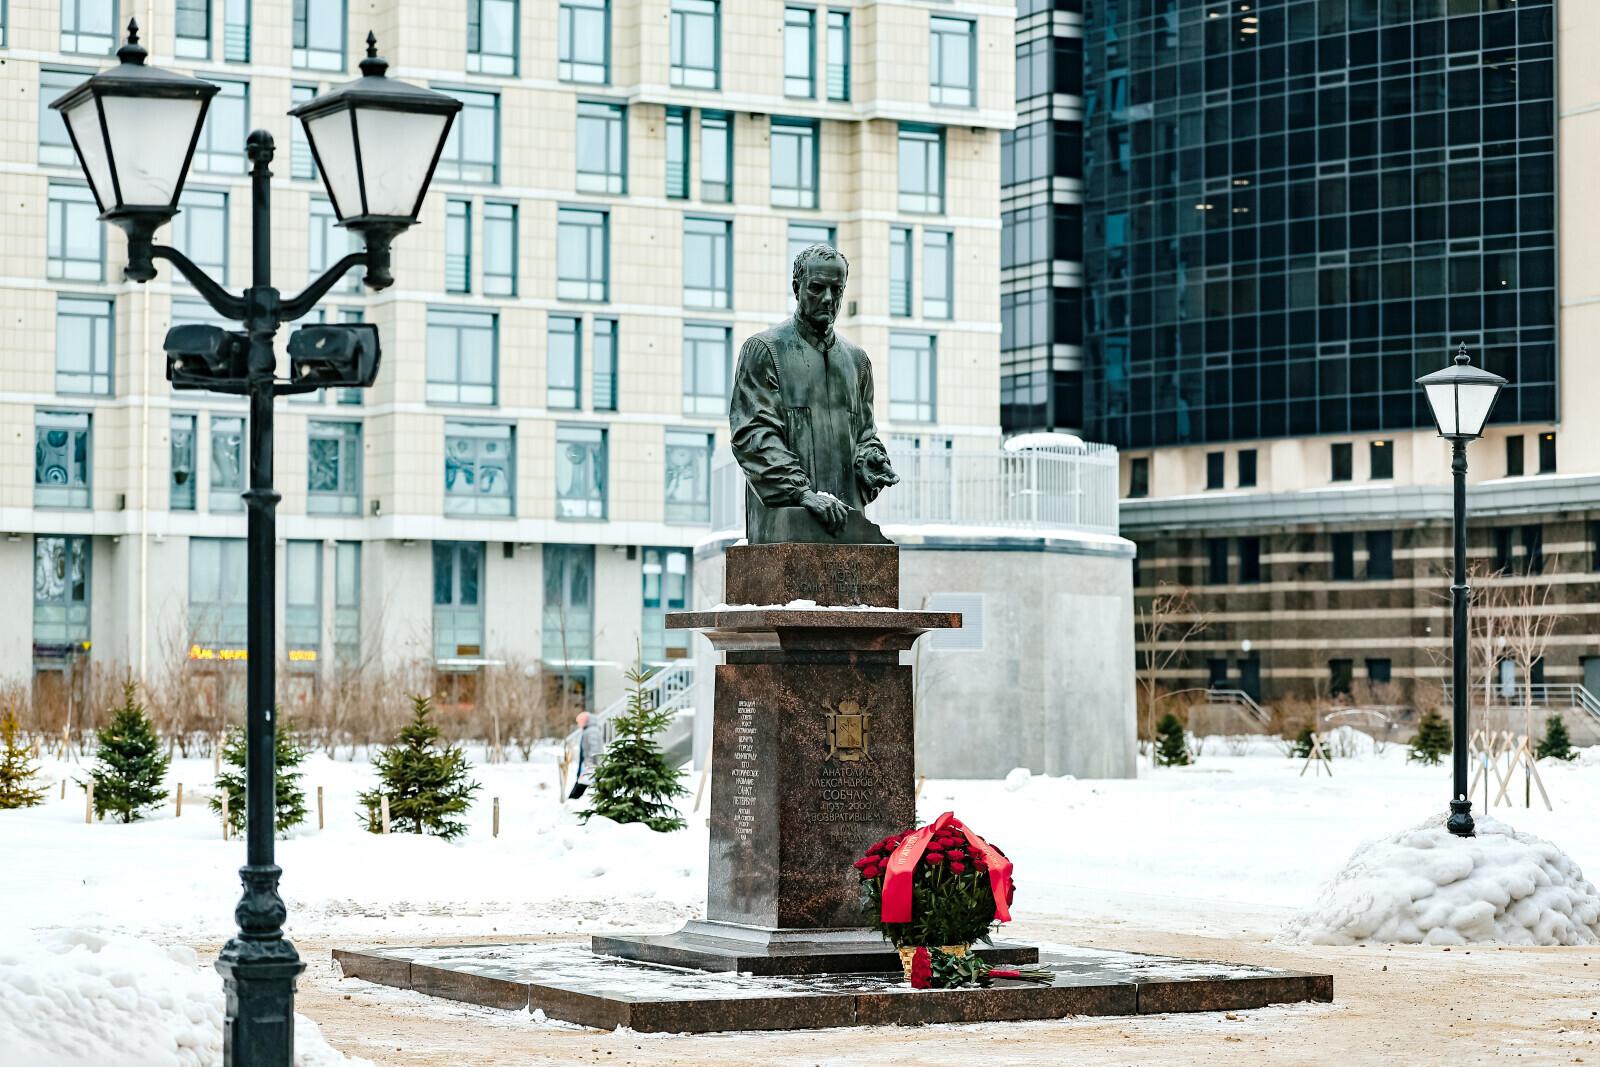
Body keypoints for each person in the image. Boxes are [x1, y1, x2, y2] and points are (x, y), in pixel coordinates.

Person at [729, 243, 899, 544]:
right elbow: (754, 435)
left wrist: (871, 460)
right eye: (817, 288)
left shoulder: (857, 361)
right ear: (797, 288)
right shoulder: (765, 350)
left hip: (847, 525)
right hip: (786, 526)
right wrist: (803, 494)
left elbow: (864, 434)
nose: (828, 299)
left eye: (837, 289)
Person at [568, 710, 604, 801]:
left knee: (582, 784)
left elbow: (594, 749)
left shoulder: (591, 731)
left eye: (579, 722)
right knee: (596, 783)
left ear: (584, 721)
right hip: (590, 763)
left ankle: (571, 800)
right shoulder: (589, 730)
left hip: (591, 764)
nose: (578, 724)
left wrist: (592, 763)